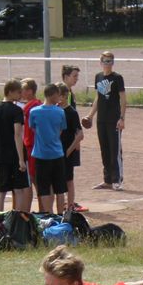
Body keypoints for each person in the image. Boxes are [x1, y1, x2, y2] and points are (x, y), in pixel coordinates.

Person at [86, 51, 126, 190]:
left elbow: (123, 99)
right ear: (101, 62)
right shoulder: (98, 77)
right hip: (101, 119)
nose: (107, 63)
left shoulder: (117, 78)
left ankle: (117, 179)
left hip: (114, 119)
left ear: (113, 62)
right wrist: (90, 115)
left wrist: (122, 118)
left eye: (110, 61)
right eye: (105, 61)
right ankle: (107, 180)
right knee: (104, 150)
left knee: (115, 150)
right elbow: (98, 97)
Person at [0, 78, 29, 213]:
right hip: (14, 155)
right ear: (10, 92)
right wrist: (21, 159)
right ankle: (18, 219)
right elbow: (17, 134)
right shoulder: (17, 111)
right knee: (19, 189)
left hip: (0, 155)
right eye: (18, 92)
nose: (21, 95)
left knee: (1, 191)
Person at [28, 83, 68, 214]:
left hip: (41, 154)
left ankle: (48, 214)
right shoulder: (60, 112)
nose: (59, 98)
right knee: (60, 188)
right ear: (53, 95)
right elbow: (61, 130)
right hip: (57, 153)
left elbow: (33, 128)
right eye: (58, 95)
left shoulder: (34, 112)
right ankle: (60, 215)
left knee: (44, 188)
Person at [57, 81, 84, 209]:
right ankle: (61, 203)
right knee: (58, 178)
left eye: (57, 95)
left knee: (68, 179)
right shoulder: (55, 110)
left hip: (66, 149)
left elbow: (80, 135)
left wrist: (69, 150)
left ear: (64, 96)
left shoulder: (71, 112)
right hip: (56, 149)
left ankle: (70, 205)